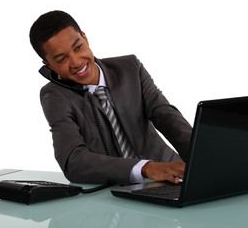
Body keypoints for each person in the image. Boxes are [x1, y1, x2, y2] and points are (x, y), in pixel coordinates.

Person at [29, 10, 192, 185]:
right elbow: (73, 161)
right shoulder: (55, 96)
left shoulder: (130, 67)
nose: (76, 62)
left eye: (78, 47)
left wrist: (203, 155)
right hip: (117, 191)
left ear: (85, 38)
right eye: (62, 59)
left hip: (171, 174)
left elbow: (166, 115)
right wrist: (146, 168)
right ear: (48, 65)